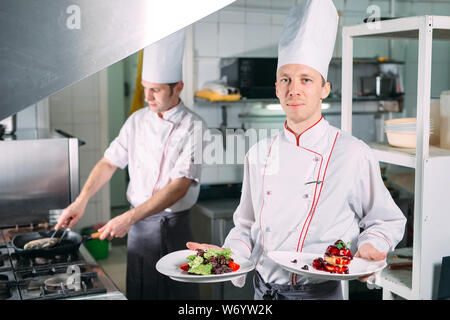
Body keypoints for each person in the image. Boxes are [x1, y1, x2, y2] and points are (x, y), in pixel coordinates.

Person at [187, 0, 406, 300]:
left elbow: (386, 219)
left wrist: (373, 245)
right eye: (286, 80)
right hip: (263, 294)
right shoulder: (259, 154)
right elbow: (245, 227)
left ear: (324, 89)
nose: (294, 89)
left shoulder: (353, 153)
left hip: (320, 295)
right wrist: (227, 255)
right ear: (277, 88)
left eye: (306, 79)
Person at [55, 29, 207, 300]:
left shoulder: (194, 127)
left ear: (178, 87)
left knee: (178, 294)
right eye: (145, 88)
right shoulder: (137, 120)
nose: (148, 97)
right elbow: (108, 162)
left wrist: (128, 218)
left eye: (156, 90)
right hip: (139, 229)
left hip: (174, 227)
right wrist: (82, 200)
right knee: (141, 292)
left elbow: (178, 187)